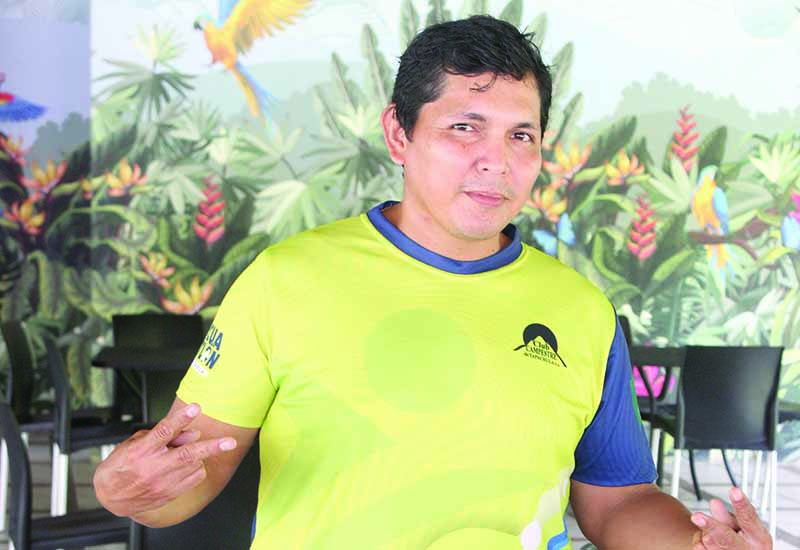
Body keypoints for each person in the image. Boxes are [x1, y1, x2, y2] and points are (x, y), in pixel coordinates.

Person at [93, 15, 773, 550]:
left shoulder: (582, 310)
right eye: (464, 127)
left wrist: (694, 544)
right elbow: (195, 467)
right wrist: (128, 490)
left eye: (521, 136)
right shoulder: (285, 280)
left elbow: (617, 500)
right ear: (399, 133)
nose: (496, 161)